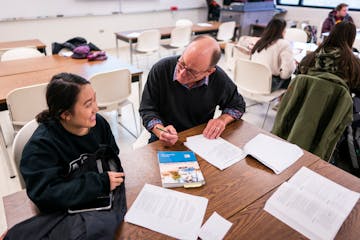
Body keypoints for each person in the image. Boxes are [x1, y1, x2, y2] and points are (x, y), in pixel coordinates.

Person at [4, 73, 126, 240]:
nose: (96, 109)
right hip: (64, 213)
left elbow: (112, 156)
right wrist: (100, 182)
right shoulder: (40, 147)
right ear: (66, 114)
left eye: (95, 100)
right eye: (88, 105)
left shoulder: (99, 125)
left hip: (98, 204)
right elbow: (46, 196)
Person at [139, 35, 246, 146]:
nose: (181, 75)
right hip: (163, 139)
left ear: (209, 72)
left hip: (199, 138)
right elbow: (147, 109)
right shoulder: (161, 69)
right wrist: (160, 131)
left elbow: (237, 106)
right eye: (182, 64)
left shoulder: (219, 78)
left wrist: (222, 120)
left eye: (192, 72)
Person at [298, 21, 360, 95]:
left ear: (331, 34)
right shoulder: (354, 64)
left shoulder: (309, 59)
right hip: (338, 105)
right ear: (352, 39)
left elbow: (299, 79)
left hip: (307, 102)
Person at [250, 18, 296, 92]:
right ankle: (283, 102)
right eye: (284, 29)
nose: (286, 31)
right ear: (281, 31)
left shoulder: (260, 41)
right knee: (291, 76)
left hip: (251, 79)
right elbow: (287, 72)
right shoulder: (284, 44)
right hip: (268, 84)